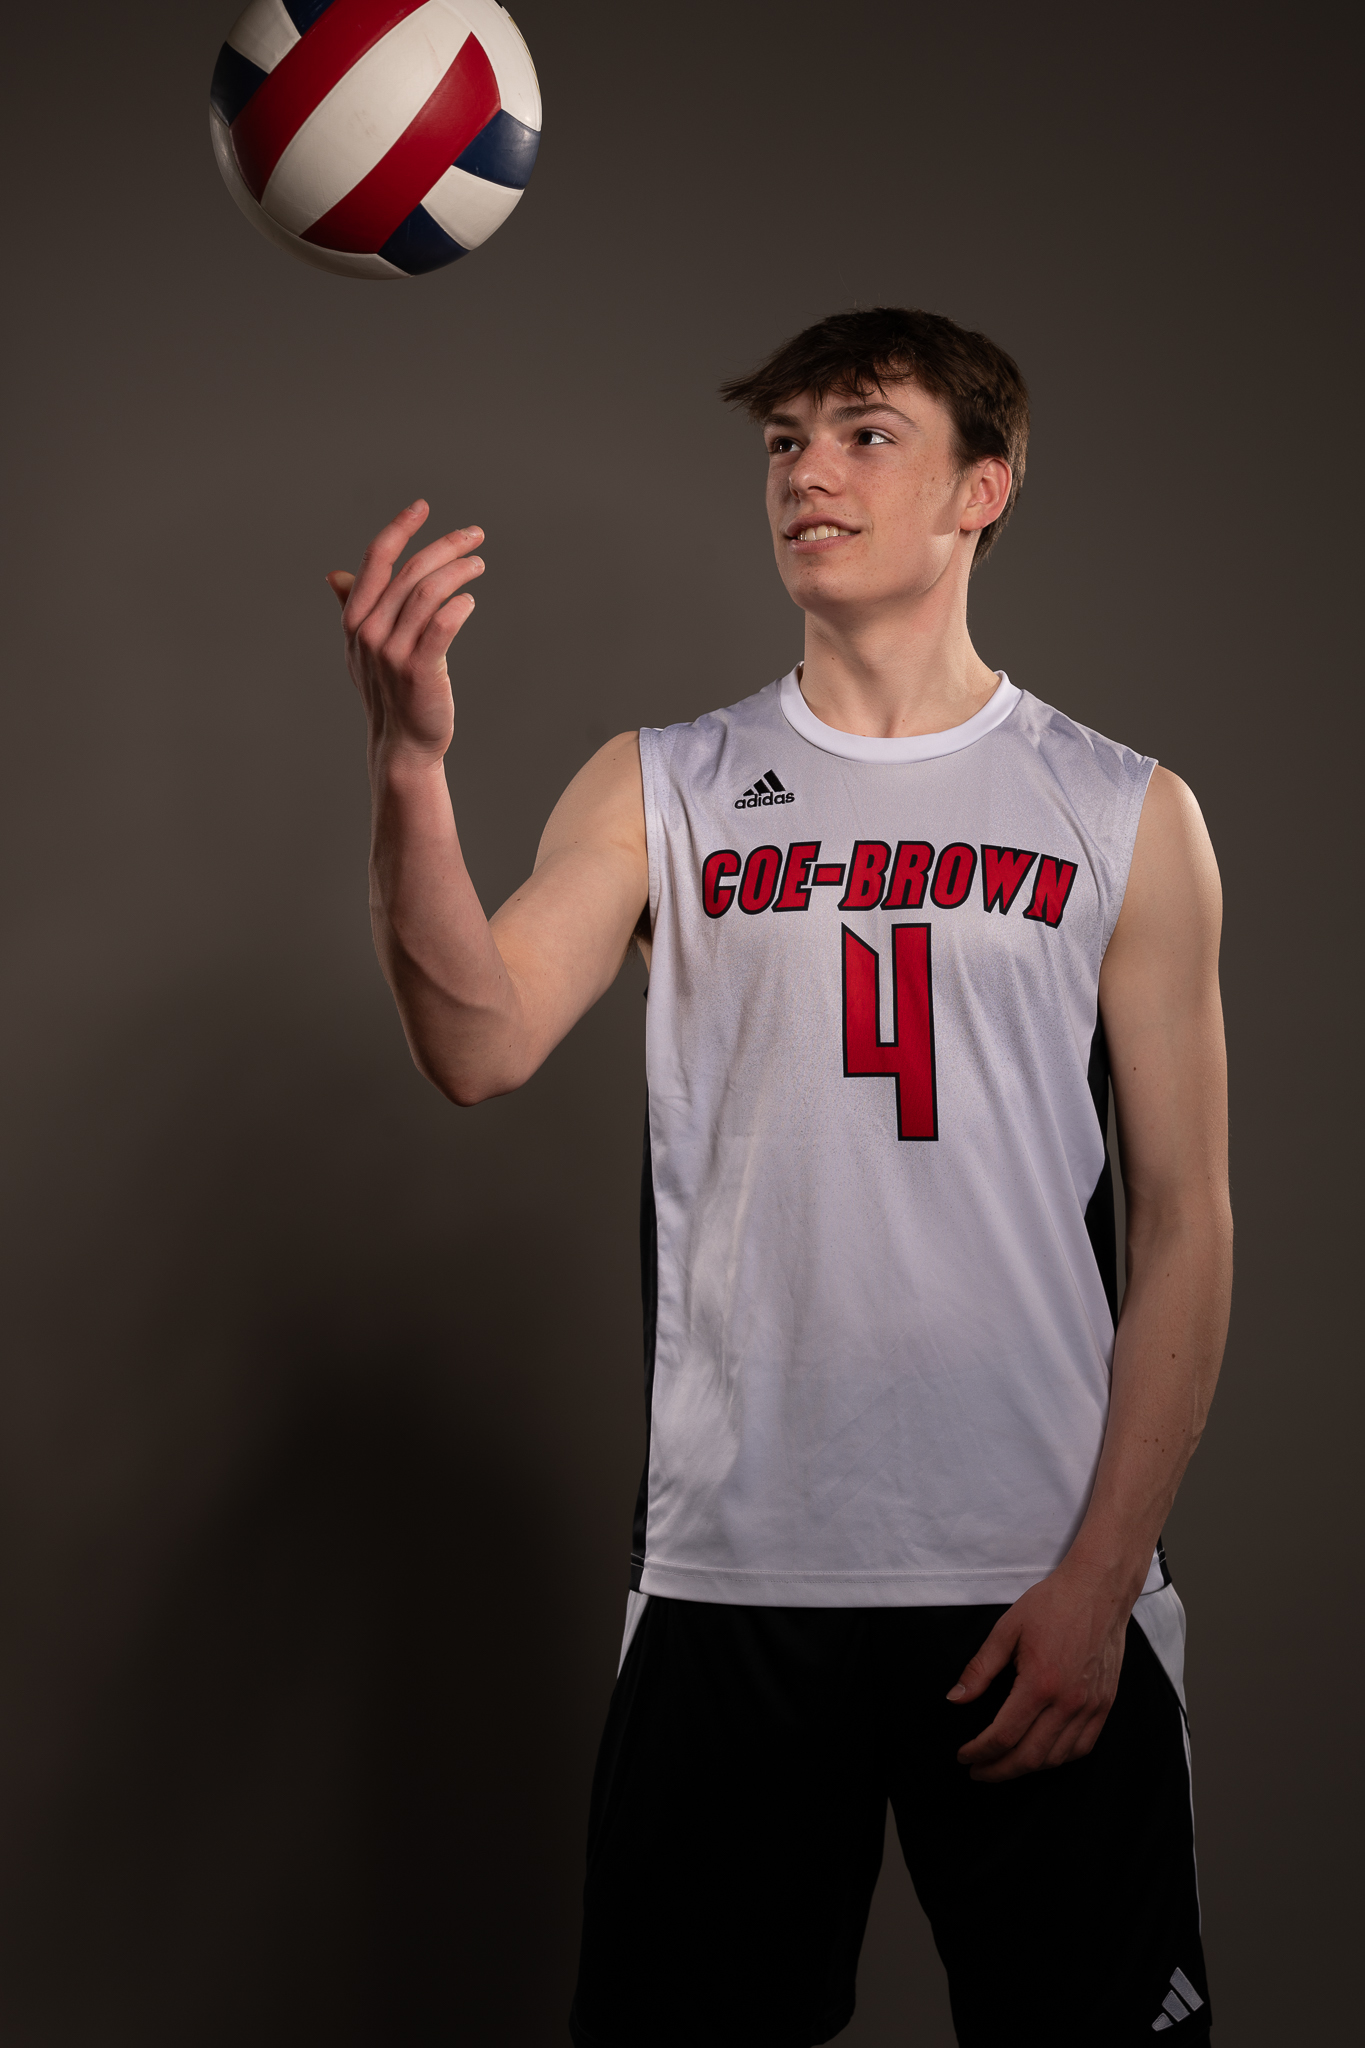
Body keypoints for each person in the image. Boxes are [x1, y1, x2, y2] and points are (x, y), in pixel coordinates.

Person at [327, 306, 1232, 2048]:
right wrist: (411, 767)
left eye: (862, 433)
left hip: (1032, 1576)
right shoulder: (660, 784)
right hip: (735, 1579)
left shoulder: (1124, 811)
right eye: (780, 442)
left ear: (985, 486)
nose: (806, 471)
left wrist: (1102, 1577)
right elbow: (478, 1040)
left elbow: (1186, 1223)